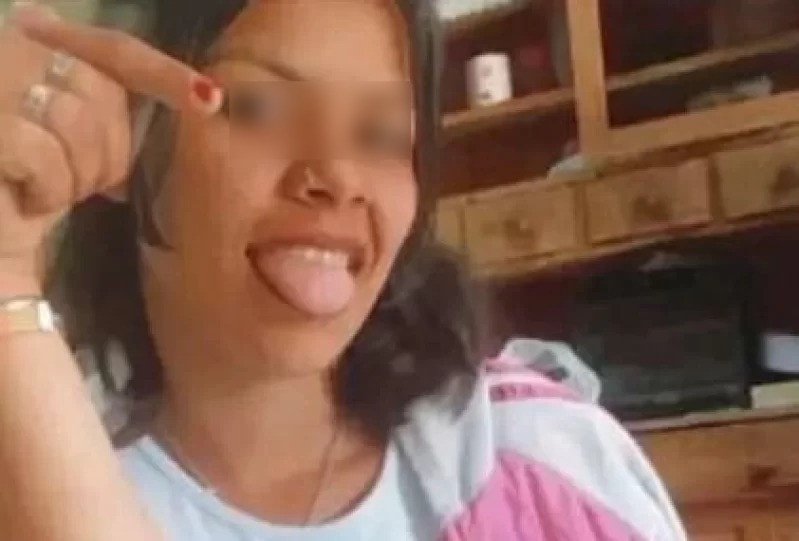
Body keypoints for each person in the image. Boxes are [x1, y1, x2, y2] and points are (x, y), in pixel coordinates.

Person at [0, 1, 687, 540]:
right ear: (127, 130)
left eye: (381, 132)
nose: (338, 174)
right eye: (259, 105)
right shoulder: (31, 468)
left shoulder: (547, 471)